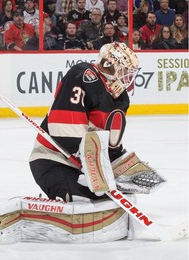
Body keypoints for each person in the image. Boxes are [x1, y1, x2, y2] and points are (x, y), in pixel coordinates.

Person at [29, 42, 140, 203]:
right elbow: (63, 130)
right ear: (108, 65)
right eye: (124, 71)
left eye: (130, 73)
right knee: (83, 203)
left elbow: (111, 145)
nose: (127, 77)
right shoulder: (83, 75)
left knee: (116, 200)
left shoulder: (120, 99)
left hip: (86, 167)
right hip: (53, 160)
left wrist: (122, 166)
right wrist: (91, 164)